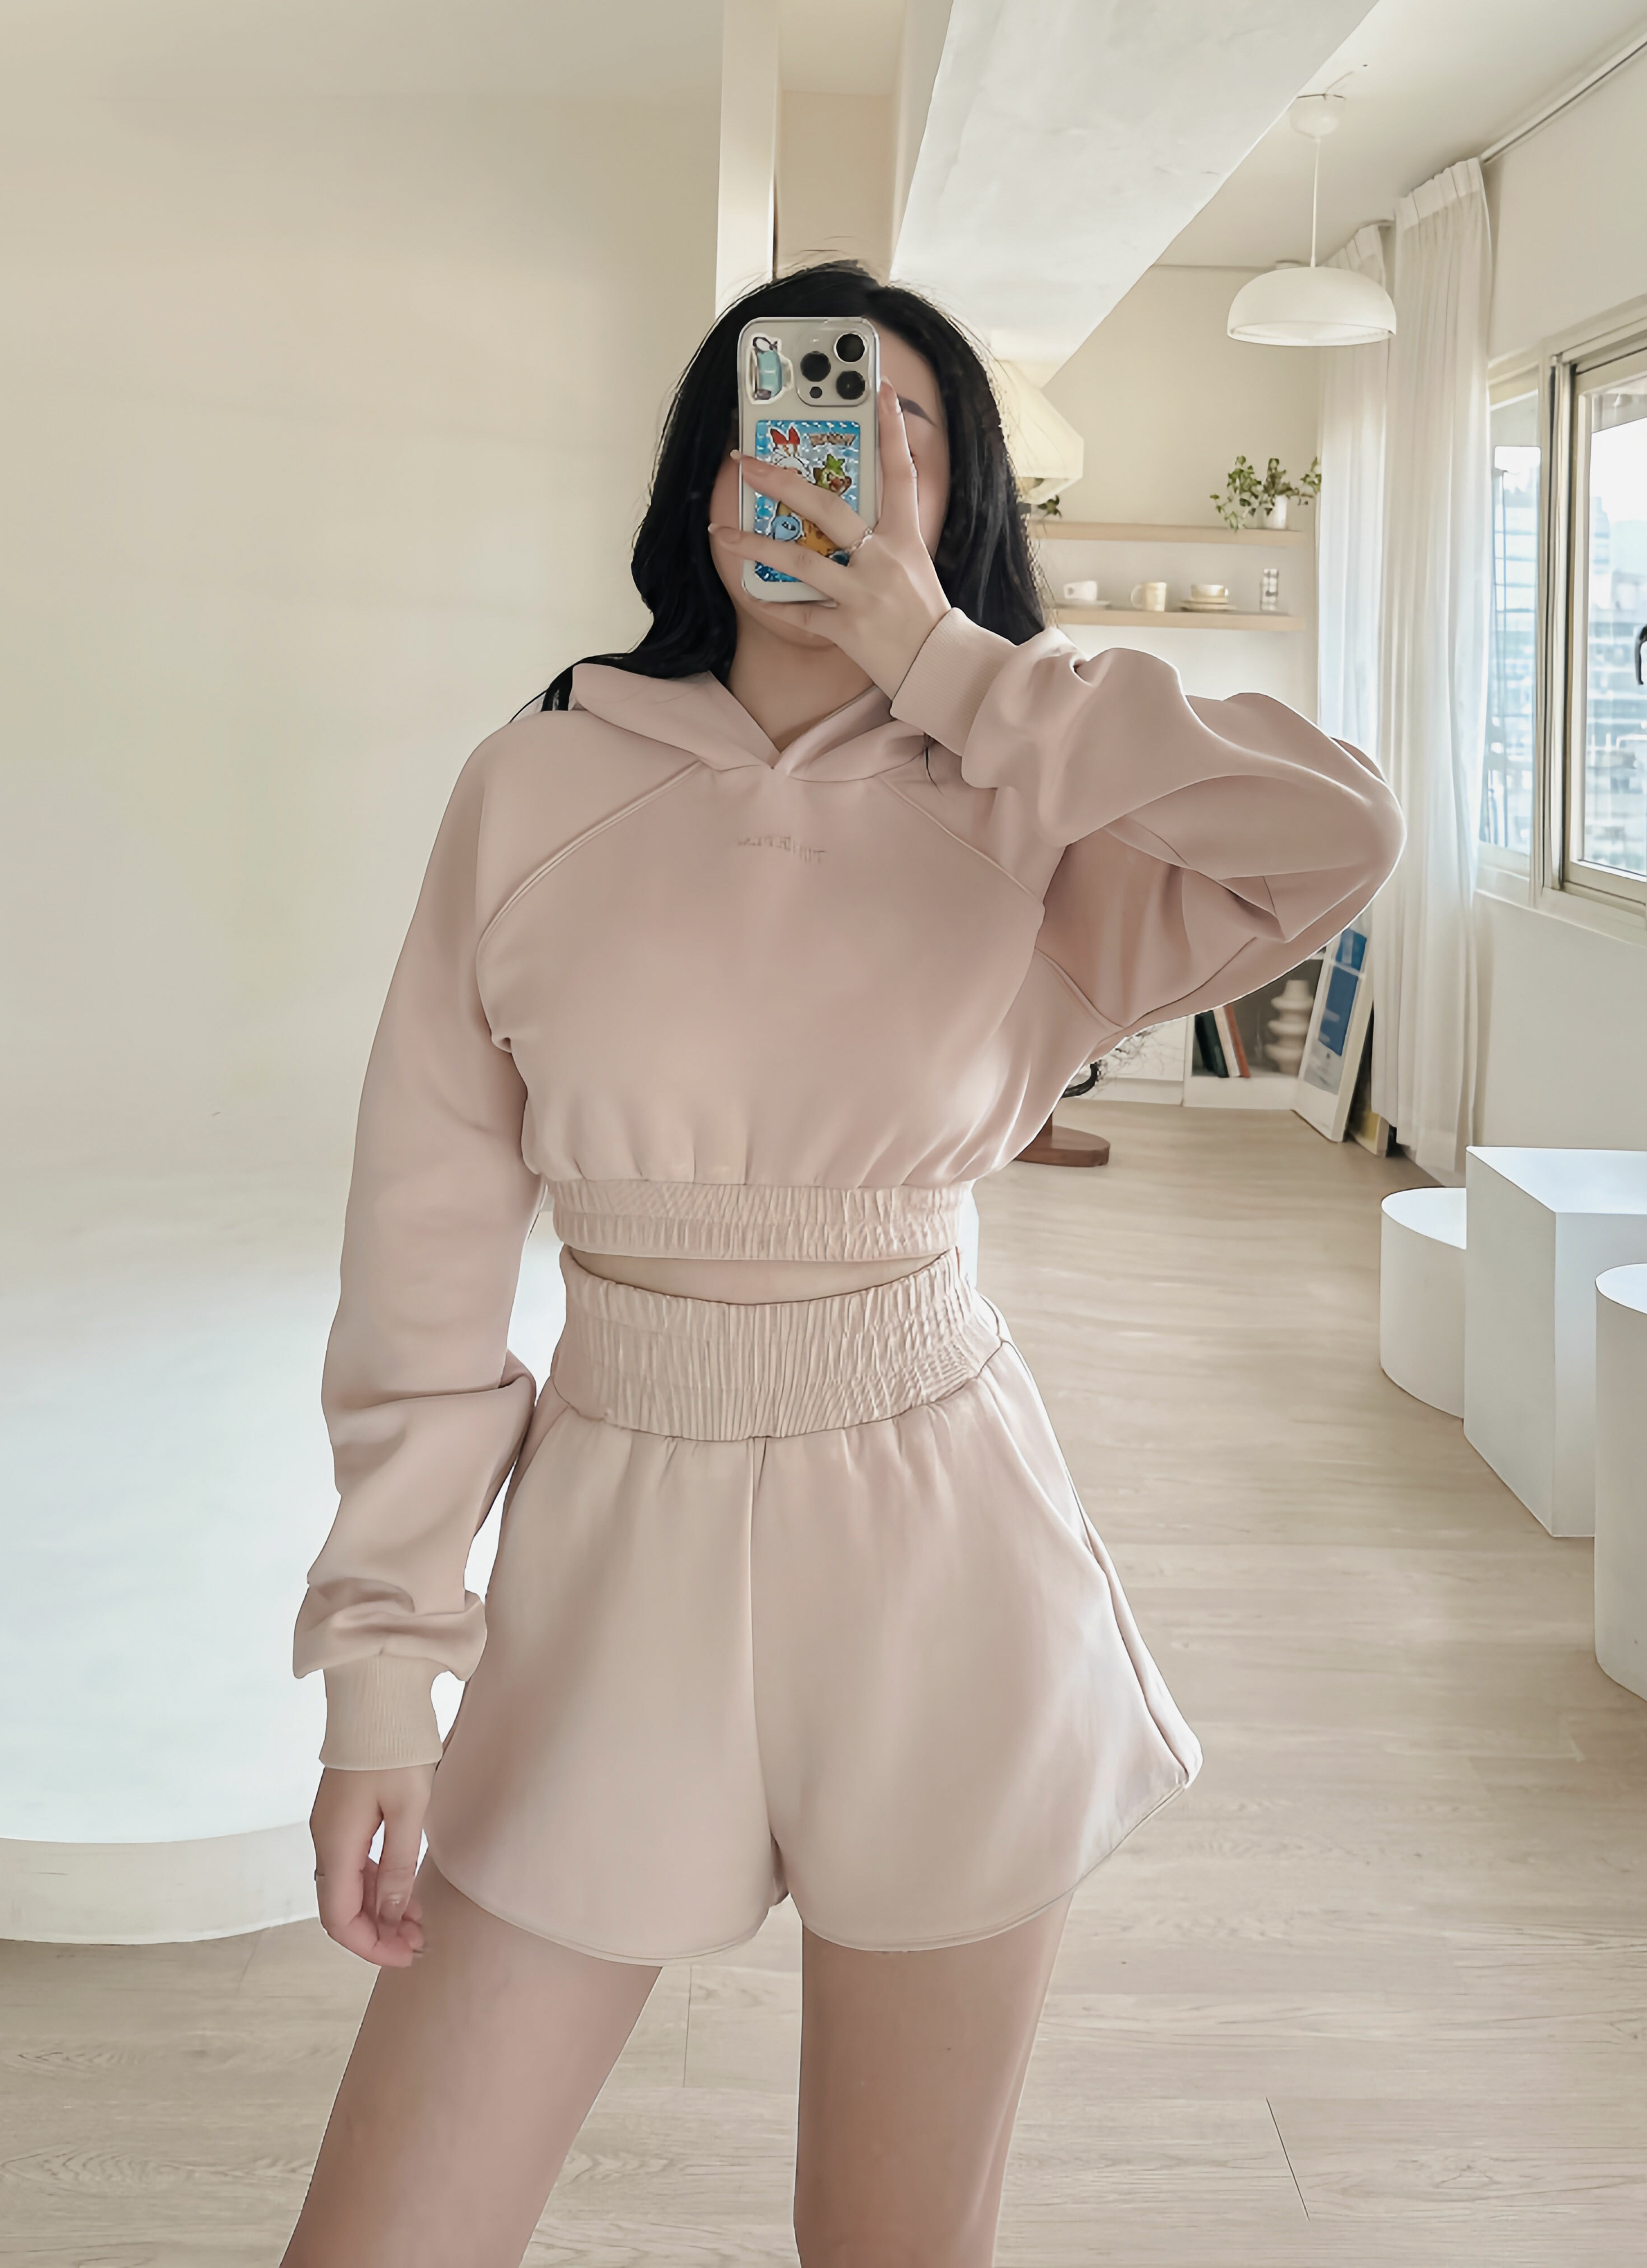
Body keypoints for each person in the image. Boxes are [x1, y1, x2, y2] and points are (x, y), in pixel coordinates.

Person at [277, 264, 1402, 2266]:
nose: (829, 453)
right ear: (704, 478)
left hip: (941, 1548)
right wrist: (382, 1672)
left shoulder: (1036, 801)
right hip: (609, 1548)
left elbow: (1339, 833)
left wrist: (947, 664)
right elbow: (422, 1250)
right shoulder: (537, 778)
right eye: (783, 411)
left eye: (898, 424)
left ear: (957, 495)